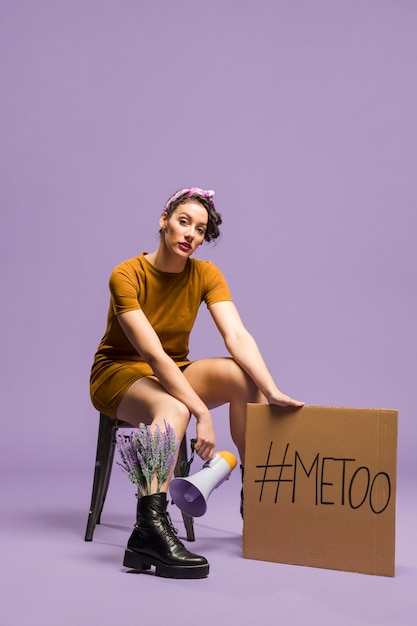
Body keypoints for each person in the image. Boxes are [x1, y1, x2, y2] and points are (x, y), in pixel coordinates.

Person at [90, 187, 303, 579]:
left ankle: (255, 495)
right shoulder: (126, 274)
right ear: (164, 220)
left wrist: (270, 388)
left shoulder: (206, 274)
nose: (190, 234)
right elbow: (152, 353)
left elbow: (236, 336)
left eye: (200, 230)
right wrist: (201, 411)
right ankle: (149, 529)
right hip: (120, 373)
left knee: (242, 375)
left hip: (173, 368)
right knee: (172, 407)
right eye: (183, 222)